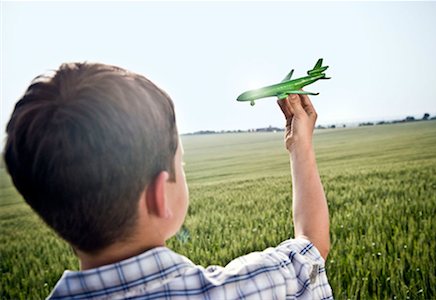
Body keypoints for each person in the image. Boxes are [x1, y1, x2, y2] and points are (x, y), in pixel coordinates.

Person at [4, 62, 333, 299]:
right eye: (181, 162)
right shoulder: (243, 288)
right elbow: (312, 247)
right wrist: (298, 145)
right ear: (159, 195)